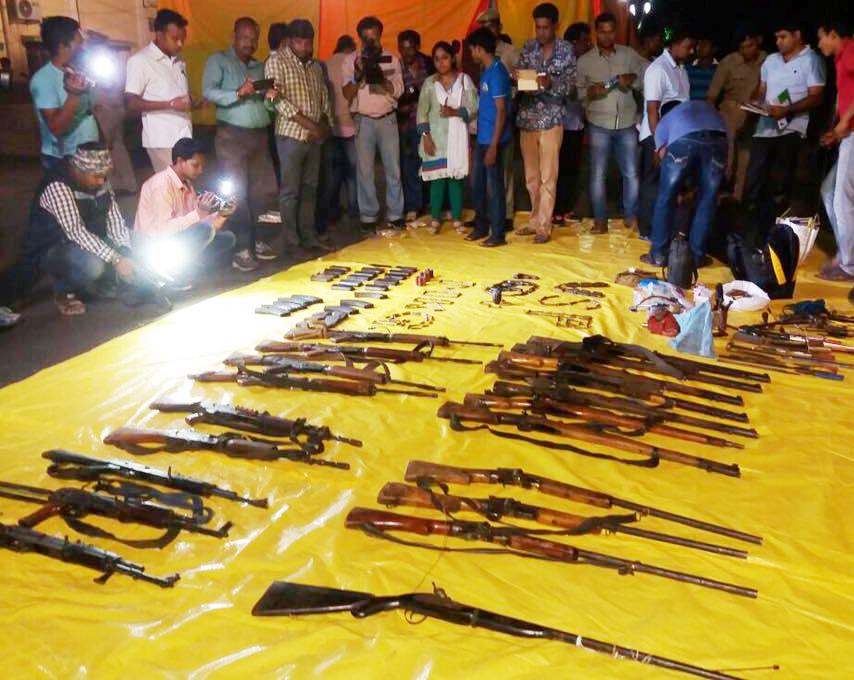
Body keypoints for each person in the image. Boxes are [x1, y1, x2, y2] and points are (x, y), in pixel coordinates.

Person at [11, 143, 134, 316]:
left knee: (137, 240)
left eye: (104, 176)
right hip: (54, 247)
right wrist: (117, 259)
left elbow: (114, 220)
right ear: (79, 171)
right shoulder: (58, 185)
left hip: (88, 238)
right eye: (96, 177)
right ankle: (64, 290)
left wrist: (125, 251)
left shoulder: (99, 178)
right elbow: (76, 231)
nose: (101, 181)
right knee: (92, 265)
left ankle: (102, 281)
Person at [203, 16, 279, 271]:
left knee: (262, 192)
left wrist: (270, 98)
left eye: (253, 39)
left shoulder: (259, 67)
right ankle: (241, 248)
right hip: (231, 137)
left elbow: (268, 108)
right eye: (244, 38)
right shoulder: (218, 60)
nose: (249, 43)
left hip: (259, 136)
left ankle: (258, 241)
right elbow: (208, 91)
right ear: (234, 37)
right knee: (236, 193)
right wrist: (238, 93)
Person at [743, 17, 826, 237]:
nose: (778, 41)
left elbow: (816, 96)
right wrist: (755, 102)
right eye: (776, 37)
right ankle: (750, 231)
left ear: (797, 35)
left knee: (778, 184)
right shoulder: (771, 60)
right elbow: (761, 90)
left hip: (791, 130)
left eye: (783, 37)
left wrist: (788, 109)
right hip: (764, 128)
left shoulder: (811, 60)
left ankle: (771, 233)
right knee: (753, 181)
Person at [265, 19, 333, 253]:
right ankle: (292, 242)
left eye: (308, 42)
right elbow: (276, 100)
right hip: (291, 137)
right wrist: (310, 125)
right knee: (290, 192)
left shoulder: (315, 67)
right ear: (290, 41)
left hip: (314, 138)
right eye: (299, 42)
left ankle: (309, 237)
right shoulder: (277, 62)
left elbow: (324, 98)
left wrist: (324, 126)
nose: (305, 47)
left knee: (310, 189)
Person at [577, 13, 646, 234]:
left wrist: (633, 79)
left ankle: (631, 216)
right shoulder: (585, 61)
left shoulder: (629, 55)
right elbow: (577, 93)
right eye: (603, 32)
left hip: (626, 123)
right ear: (596, 32)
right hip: (599, 124)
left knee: (631, 173)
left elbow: (648, 75)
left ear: (615, 31)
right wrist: (590, 91)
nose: (607, 36)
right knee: (598, 175)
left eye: (611, 31)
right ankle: (600, 220)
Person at [514, 3, 576, 244]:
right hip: (527, 119)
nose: (541, 32)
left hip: (552, 120)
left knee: (548, 177)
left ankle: (543, 226)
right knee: (531, 178)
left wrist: (551, 83)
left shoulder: (566, 50)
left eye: (545, 27)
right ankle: (534, 220)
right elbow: (521, 80)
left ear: (556, 26)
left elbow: (571, 87)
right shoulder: (529, 47)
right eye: (537, 27)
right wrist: (519, 79)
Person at [641, 101, 728, 267]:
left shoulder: (664, 123)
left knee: (666, 197)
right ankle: (696, 257)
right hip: (719, 139)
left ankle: (658, 255)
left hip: (685, 140)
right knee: (708, 200)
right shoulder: (699, 108)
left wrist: (676, 187)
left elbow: (662, 156)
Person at [133, 137, 237, 278]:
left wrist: (221, 215)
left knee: (228, 238)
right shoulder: (161, 185)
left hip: (178, 239)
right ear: (180, 161)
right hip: (153, 246)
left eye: (201, 166)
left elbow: (197, 225)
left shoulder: (187, 185)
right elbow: (163, 230)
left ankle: (188, 266)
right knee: (203, 231)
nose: (200, 171)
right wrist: (198, 213)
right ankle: (174, 270)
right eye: (195, 165)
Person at [342, 16, 405, 233]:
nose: (371, 42)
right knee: (365, 171)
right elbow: (346, 94)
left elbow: (399, 89)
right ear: (360, 38)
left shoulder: (391, 58)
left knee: (393, 169)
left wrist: (382, 79)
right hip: (364, 119)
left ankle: (396, 214)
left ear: (380, 36)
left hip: (388, 118)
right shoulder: (351, 60)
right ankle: (368, 215)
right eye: (366, 38)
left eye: (374, 37)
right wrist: (359, 74)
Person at [638, 27, 696, 239]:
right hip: (656, 136)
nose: (691, 51)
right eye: (688, 47)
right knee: (652, 182)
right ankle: (646, 230)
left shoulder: (681, 69)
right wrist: (659, 144)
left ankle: (664, 229)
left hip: (676, 136)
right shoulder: (658, 69)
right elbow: (652, 110)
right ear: (675, 44)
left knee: (670, 183)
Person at [417, 41, 478, 234]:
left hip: (457, 138)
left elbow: (474, 107)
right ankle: (435, 219)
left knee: (455, 179)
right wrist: (426, 136)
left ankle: (457, 218)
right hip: (435, 139)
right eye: (437, 59)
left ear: (452, 58)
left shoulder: (464, 80)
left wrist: (455, 112)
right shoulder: (429, 83)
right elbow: (422, 112)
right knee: (437, 179)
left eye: (444, 57)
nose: (441, 62)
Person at [125, 9, 193, 172]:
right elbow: (131, 103)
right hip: (162, 140)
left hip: (184, 136)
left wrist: (193, 101)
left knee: (184, 184)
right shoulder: (140, 61)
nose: (180, 44)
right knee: (171, 184)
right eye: (175, 39)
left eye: (182, 39)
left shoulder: (178, 61)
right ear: (159, 35)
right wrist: (170, 104)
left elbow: (176, 96)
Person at [29, 16, 99, 172]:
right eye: (79, 41)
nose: (83, 44)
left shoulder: (76, 71)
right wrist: (73, 95)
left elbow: (88, 112)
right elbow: (56, 128)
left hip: (88, 153)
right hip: (63, 160)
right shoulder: (44, 79)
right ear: (63, 45)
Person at [706, 28, 767, 200]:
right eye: (742, 48)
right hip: (730, 113)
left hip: (755, 116)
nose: (746, 51)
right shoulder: (729, 62)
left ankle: (738, 199)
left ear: (759, 41)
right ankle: (717, 194)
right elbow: (712, 95)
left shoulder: (768, 61)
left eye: (750, 46)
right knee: (727, 156)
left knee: (746, 160)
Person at [816, 19, 854, 282]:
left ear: (833, 34)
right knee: (829, 191)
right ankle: (845, 254)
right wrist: (837, 129)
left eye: (821, 38)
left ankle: (849, 265)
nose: (819, 44)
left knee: (841, 198)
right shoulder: (841, 58)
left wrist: (844, 123)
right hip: (848, 135)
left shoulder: (850, 51)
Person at [467, 27, 512, 247]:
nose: (471, 54)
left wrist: (494, 146)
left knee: (494, 188)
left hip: (493, 140)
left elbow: (501, 111)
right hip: (482, 137)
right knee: (477, 184)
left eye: (472, 50)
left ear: (479, 49)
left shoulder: (497, 72)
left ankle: (498, 234)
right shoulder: (487, 70)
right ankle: (481, 226)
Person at [475, 8, 519, 230]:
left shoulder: (509, 52)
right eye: (483, 26)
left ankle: (506, 215)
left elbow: (523, 80)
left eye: (491, 25)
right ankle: (487, 215)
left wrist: (509, 86)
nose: (487, 29)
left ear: (499, 27)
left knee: (504, 170)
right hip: (484, 118)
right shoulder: (478, 53)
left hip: (503, 114)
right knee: (484, 173)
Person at [319, 35, 359, 230]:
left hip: (332, 126)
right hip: (351, 124)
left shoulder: (325, 65)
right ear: (351, 48)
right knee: (353, 173)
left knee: (333, 174)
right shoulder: (353, 63)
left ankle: (332, 212)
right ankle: (354, 209)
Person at [554, 21, 592, 224]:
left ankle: (566, 208)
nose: (589, 45)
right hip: (560, 124)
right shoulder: (560, 64)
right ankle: (556, 209)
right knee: (558, 169)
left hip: (577, 123)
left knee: (572, 168)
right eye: (585, 41)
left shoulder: (586, 64)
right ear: (573, 43)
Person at [398, 30, 435, 222]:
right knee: (409, 165)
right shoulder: (396, 67)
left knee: (430, 163)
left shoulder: (428, 64)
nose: (406, 53)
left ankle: (431, 203)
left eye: (410, 48)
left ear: (418, 47)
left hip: (428, 123)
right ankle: (413, 206)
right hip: (407, 124)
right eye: (402, 49)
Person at [688, 36, 718, 101]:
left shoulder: (720, 70)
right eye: (698, 44)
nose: (699, 47)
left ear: (714, 49)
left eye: (704, 44)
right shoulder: (687, 69)